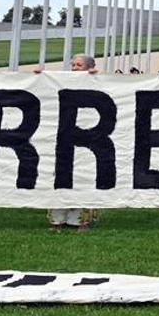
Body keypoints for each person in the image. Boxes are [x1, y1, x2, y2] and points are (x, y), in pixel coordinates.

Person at [45, 53, 101, 232]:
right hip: (66, 136)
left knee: (83, 178)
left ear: (89, 68)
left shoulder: (97, 82)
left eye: (79, 65)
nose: (75, 68)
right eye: (73, 65)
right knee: (61, 177)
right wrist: (38, 76)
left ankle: (81, 219)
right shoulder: (64, 82)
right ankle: (57, 219)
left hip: (89, 137)